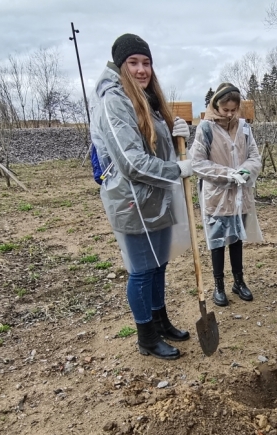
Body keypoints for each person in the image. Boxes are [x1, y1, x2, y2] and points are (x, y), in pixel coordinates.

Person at [91, 33, 194, 360]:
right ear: (121, 66)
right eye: (133, 63)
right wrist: (177, 171)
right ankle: (146, 337)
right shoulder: (114, 100)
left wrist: (180, 135)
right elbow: (131, 162)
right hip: (131, 201)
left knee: (159, 265)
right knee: (141, 270)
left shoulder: (147, 98)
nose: (141, 69)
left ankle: (161, 321)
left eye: (146, 63)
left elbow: (158, 148)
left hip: (156, 197)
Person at [190, 83, 263, 307]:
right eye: (225, 110)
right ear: (216, 106)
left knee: (237, 238)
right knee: (217, 240)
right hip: (216, 194)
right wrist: (227, 174)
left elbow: (254, 157)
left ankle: (239, 281)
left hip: (240, 192)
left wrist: (244, 171)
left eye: (234, 109)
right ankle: (219, 285)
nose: (230, 114)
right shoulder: (206, 128)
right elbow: (197, 163)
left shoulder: (244, 127)